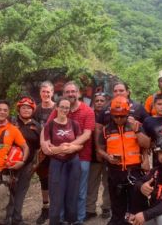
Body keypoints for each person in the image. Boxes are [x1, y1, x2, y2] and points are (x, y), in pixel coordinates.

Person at [45, 81, 95, 224]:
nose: (71, 94)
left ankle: (77, 220)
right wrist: (45, 144)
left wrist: (69, 146)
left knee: (79, 192)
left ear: (79, 93)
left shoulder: (87, 111)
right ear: (63, 94)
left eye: (73, 91)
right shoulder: (58, 109)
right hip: (59, 157)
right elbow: (47, 128)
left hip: (82, 156)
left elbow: (86, 135)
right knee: (60, 190)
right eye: (67, 92)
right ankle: (61, 219)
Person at [97, 96, 150, 225]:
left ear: (127, 113)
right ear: (111, 115)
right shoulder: (106, 130)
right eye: (116, 116)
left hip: (134, 170)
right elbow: (99, 149)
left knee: (137, 204)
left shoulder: (136, 125)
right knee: (117, 204)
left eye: (122, 116)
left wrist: (136, 130)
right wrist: (107, 156)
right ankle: (118, 221)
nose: (119, 119)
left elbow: (147, 144)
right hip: (115, 171)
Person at [41, 97, 84, 225]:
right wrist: (60, 149)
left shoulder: (74, 124)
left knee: (72, 192)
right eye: (62, 107)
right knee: (56, 194)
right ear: (56, 108)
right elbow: (47, 148)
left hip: (73, 161)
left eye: (67, 107)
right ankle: (54, 221)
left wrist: (70, 148)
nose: (65, 109)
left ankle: (70, 221)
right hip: (56, 162)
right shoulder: (50, 125)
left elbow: (80, 144)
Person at [8, 97, 42, 225]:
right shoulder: (10, 121)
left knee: (21, 191)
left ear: (32, 110)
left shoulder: (37, 126)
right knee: (8, 191)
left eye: (29, 108)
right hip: (9, 164)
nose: (26, 110)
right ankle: (7, 218)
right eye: (23, 107)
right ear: (19, 109)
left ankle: (16, 219)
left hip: (27, 164)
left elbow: (40, 148)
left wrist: (35, 164)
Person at [86, 92, 111, 221]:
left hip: (108, 154)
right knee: (91, 183)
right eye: (97, 101)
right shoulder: (89, 115)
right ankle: (90, 209)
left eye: (102, 100)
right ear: (93, 103)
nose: (100, 103)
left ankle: (106, 207)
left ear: (107, 102)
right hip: (92, 156)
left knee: (107, 182)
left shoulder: (110, 115)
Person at [33, 81, 56, 224]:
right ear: (40, 93)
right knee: (44, 180)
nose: (46, 94)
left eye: (48, 92)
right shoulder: (36, 109)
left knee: (56, 179)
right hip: (40, 150)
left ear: (52, 93)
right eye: (43, 92)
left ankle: (57, 207)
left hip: (55, 149)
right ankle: (45, 207)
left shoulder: (57, 108)